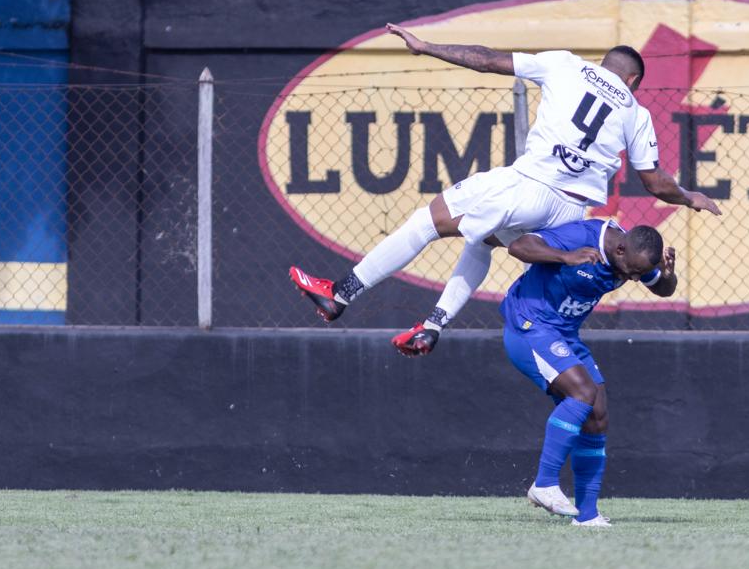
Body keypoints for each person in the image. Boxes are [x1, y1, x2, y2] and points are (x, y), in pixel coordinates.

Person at [290, 23, 719, 352]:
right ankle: (434, 325)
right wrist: (689, 197)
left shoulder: (568, 65)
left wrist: (427, 47)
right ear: (634, 83)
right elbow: (654, 181)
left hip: (529, 185)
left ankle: (340, 294)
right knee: (483, 244)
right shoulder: (637, 112)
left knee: (427, 223)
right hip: (569, 213)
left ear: (603, 63)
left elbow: (487, 58)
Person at [500, 217, 676, 527]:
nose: (633, 279)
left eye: (639, 274)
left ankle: (588, 515)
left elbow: (662, 288)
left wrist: (669, 276)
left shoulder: (633, 259)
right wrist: (565, 256)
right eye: (631, 272)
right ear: (619, 249)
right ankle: (544, 483)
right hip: (530, 326)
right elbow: (519, 246)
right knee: (582, 392)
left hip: (565, 335)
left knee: (597, 413)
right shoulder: (582, 236)